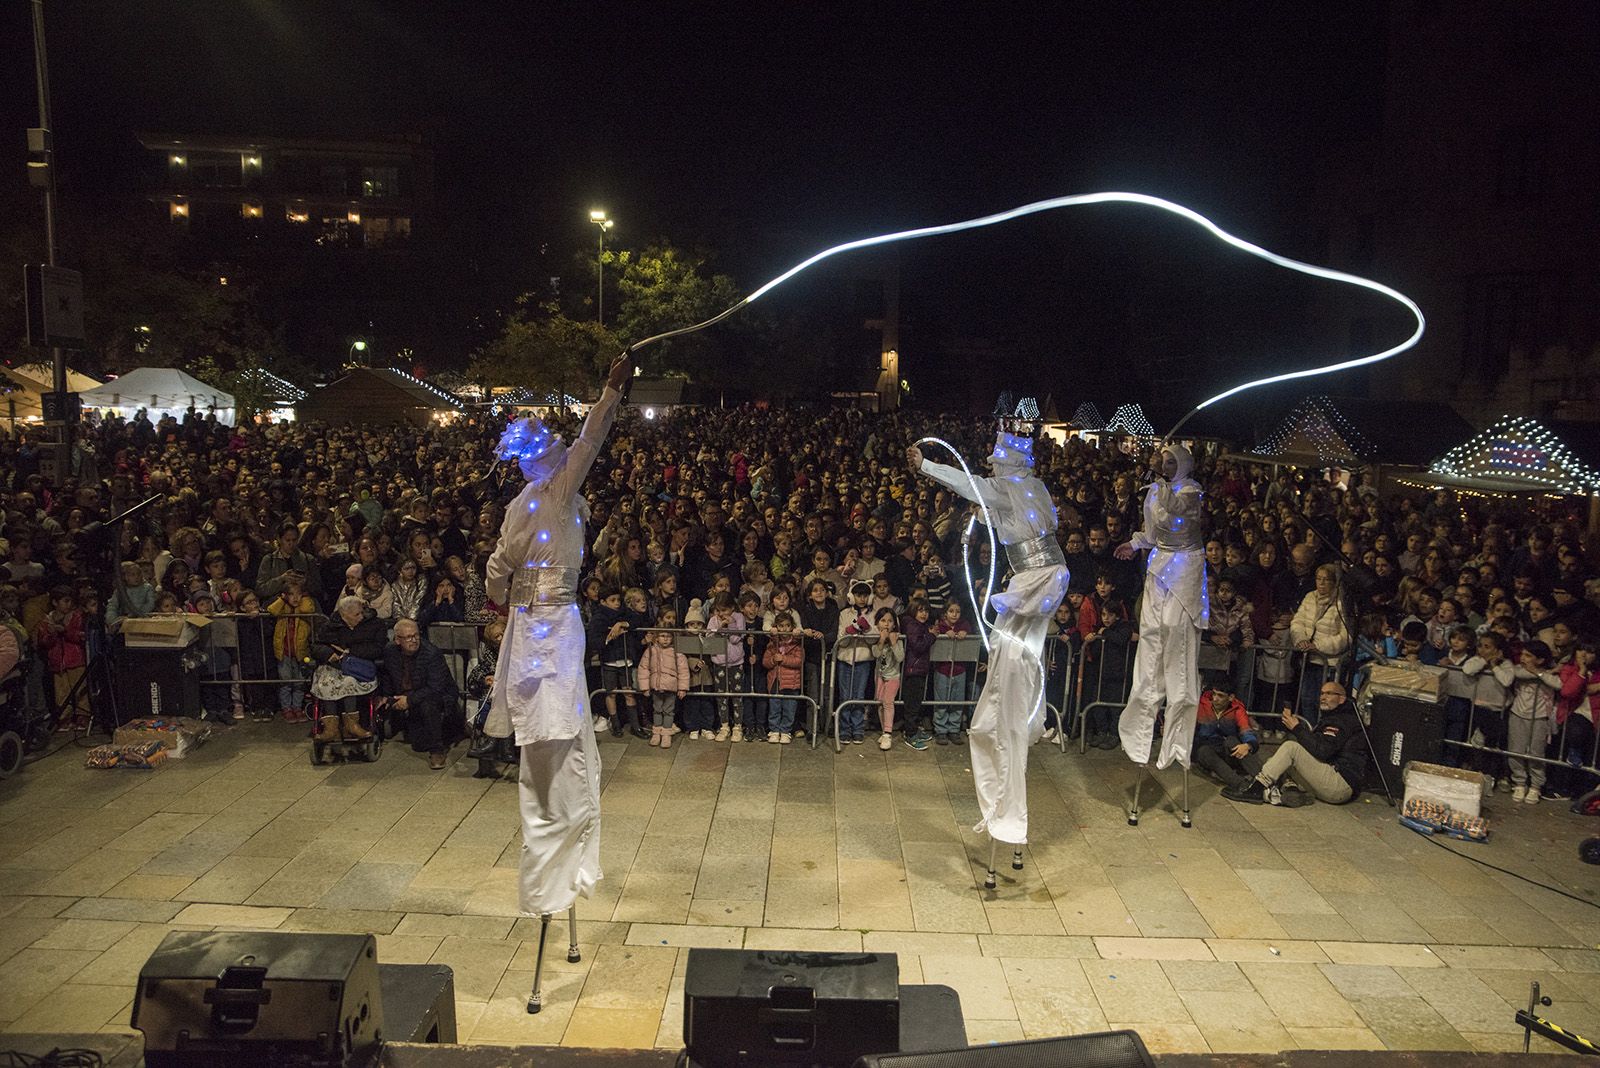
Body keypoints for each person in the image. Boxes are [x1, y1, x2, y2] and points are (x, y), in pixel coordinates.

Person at [479, 351, 631, 917]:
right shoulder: (555, 489)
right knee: (553, 737)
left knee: (556, 737)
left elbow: (498, 573)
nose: (564, 450)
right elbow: (593, 437)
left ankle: (559, 844)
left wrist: (503, 594)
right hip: (547, 629)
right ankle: (556, 853)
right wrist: (611, 392)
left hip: (533, 625)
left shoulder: (526, 502)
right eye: (552, 447)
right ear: (538, 461)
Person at [907, 420, 1069, 846]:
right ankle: (1026, 715)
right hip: (1046, 576)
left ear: (1009, 461)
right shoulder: (1031, 486)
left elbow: (969, 484)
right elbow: (1009, 512)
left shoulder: (1010, 484)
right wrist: (991, 511)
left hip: (1034, 579)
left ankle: (1018, 719)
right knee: (1012, 650)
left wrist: (928, 465)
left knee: (1010, 654)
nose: (994, 468)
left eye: (998, 461)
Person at [1117, 443, 1208, 770]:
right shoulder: (1155, 491)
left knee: (1178, 650)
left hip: (1185, 571)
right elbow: (1155, 533)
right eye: (1163, 460)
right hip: (1159, 568)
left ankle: (1177, 745)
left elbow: (1180, 518)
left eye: (1172, 461)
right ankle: (1140, 737)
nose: (1166, 465)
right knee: (1151, 643)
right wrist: (1134, 542)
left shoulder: (1190, 492)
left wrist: (1158, 481)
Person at [1223, 680, 1367, 806]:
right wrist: (1299, 729)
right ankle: (1291, 790)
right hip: (1334, 780)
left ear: (1341, 699)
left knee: (1291, 748)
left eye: (1329, 694)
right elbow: (1318, 745)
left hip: (1340, 783)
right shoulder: (1336, 716)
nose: (1323, 697)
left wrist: (1297, 728)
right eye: (1322, 693)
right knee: (1279, 759)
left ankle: (1257, 789)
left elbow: (1323, 751)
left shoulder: (1342, 720)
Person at [382, 618, 460, 769]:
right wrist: (386, 696)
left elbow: (436, 687)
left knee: (428, 704)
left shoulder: (431, 654)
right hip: (409, 694)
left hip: (436, 696)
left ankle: (437, 751)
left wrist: (409, 700)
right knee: (418, 744)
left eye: (416, 635)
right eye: (409, 637)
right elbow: (387, 675)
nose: (414, 640)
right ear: (398, 640)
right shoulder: (390, 651)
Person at [310, 594, 389, 744]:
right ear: (344, 615)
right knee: (328, 681)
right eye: (356, 614)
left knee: (349, 681)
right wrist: (328, 654)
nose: (360, 617)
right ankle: (331, 728)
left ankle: (352, 724)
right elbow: (315, 646)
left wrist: (350, 651)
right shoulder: (330, 626)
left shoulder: (374, 624)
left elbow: (378, 648)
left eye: (361, 612)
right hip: (334, 666)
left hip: (359, 666)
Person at [1190, 683, 1262, 790]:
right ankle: (1242, 785)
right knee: (1204, 751)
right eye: (1214, 694)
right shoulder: (1201, 706)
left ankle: (1263, 779)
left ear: (1231, 697)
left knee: (1232, 741)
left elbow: (1245, 729)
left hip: (1226, 750)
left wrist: (1249, 745)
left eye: (1220, 696)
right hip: (1206, 750)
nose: (1215, 699)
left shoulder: (1237, 709)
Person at [637, 609, 689, 749]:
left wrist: (683, 687)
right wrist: (645, 687)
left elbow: (683, 670)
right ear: (657, 637)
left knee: (668, 711)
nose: (665, 639)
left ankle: (666, 734)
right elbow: (643, 668)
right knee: (657, 710)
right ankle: (656, 733)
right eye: (662, 636)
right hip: (656, 687)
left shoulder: (677, 652)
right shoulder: (651, 650)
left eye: (668, 636)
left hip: (671, 688)